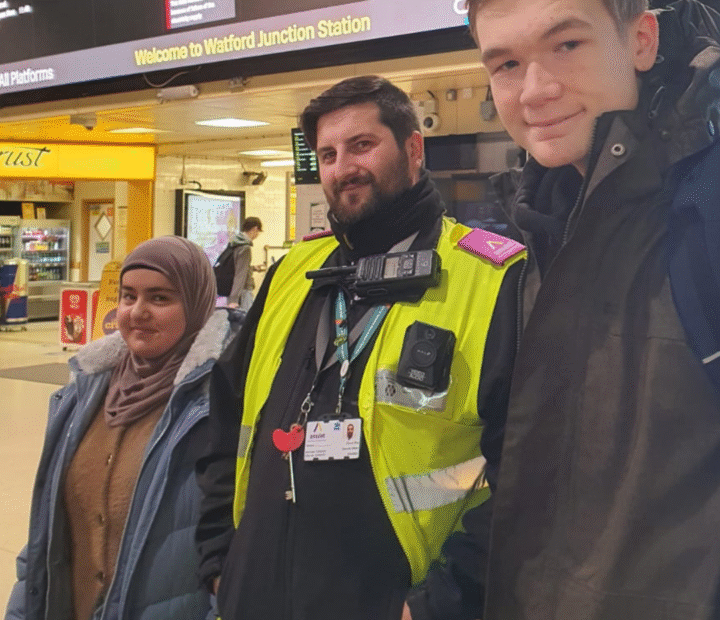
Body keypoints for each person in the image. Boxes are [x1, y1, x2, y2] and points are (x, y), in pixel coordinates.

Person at [195, 75, 527, 620]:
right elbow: (225, 417)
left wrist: (442, 602)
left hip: (389, 601)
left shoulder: (492, 279)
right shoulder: (293, 273)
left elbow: (531, 473)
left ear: (413, 149)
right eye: (327, 153)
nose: (341, 167)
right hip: (255, 591)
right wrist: (218, 558)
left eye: (361, 146)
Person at [466, 0, 720, 618]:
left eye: (567, 46)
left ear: (641, 39)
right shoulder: (542, 230)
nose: (535, 91)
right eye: (505, 64)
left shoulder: (702, 212)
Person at [5, 236, 242, 620]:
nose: (137, 312)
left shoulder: (219, 404)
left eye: (160, 298)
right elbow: (46, 535)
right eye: (128, 296)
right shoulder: (82, 393)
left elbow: (237, 548)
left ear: (197, 305)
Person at [227, 216, 262, 311]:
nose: (257, 235)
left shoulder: (235, 243)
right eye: (258, 232)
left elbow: (237, 267)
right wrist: (233, 299)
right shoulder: (245, 248)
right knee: (246, 320)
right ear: (255, 229)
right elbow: (240, 274)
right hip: (243, 292)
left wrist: (253, 268)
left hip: (235, 290)